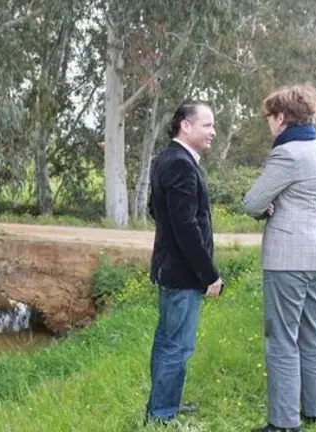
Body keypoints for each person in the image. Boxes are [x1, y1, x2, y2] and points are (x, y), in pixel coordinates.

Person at [243, 83, 316, 432]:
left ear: (282, 116)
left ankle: (283, 422)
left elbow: (253, 202)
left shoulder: (287, 153)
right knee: (311, 333)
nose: (268, 122)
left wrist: (266, 206)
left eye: (269, 116)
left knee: (282, 340)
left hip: (290, 256)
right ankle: (314, 408)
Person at [145, 100, 224, 425]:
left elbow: (155, 210)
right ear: (186, 125)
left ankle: (164, 404)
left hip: (170, 267)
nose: (213, 131)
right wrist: (209, 274)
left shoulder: (169, 158)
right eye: (207, 125)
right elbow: (186, 226)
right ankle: (162, 414)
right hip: (182, 273)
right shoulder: (180, 163)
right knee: (176, 345)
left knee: (167, 340)